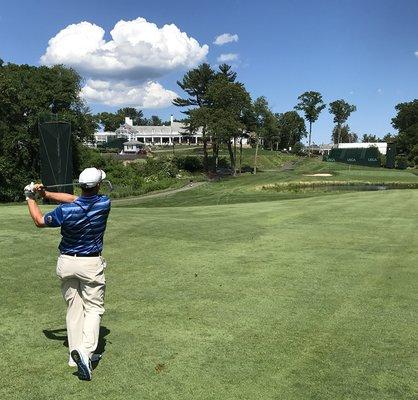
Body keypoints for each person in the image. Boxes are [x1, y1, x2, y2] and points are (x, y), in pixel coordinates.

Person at [24, 167, 111, 381]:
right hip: (90, 263)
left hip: (66, 263)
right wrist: (43, 194)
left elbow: (39, 220)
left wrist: (31, 197)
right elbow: (75, 199)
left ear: (82, 186)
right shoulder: (104, 203)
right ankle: (86, 351)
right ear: (97, 186)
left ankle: (75, 356)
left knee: (74, 308)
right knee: (93, 308)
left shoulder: (65, 211)